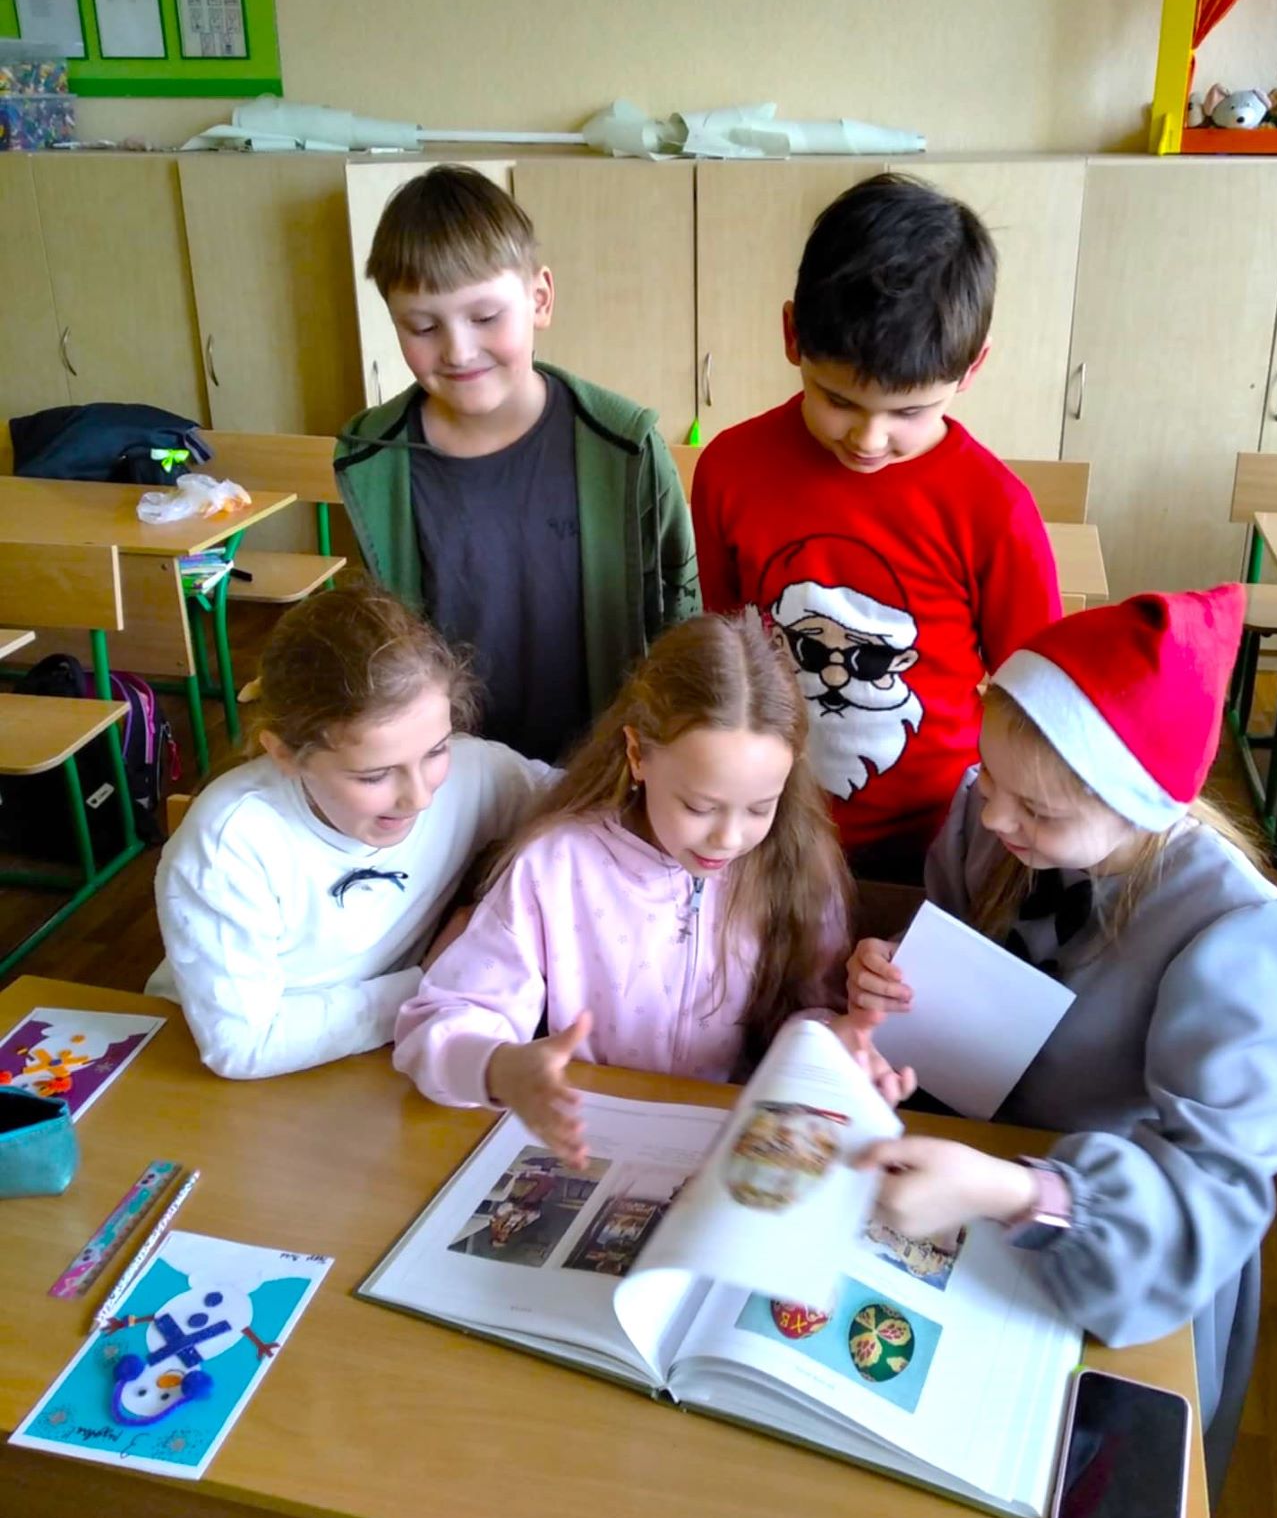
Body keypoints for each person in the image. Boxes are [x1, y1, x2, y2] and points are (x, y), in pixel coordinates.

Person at [844, 585, 1277, 1492]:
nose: (996, 816)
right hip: (958, 1185)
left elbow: (1205, 1200)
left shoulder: (1245, 943)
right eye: (988, 776)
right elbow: (950, 965)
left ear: (1137, 805)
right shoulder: (992, 824)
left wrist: (1014, 1189)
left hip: (1111, 1256)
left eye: (1035, 809)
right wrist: (887, 980)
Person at [393, 611, 887, 1165]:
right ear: (637, 755)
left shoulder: (798, 863)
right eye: (699, 806)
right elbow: (440, 1023)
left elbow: (811, 1011)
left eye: (759, 808)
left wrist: (832, 1046)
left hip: (732, 1147)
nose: (728, 838)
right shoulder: (557, 865)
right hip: (587, 1140)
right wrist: (500, 1067)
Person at [691, 172, 1060, 876]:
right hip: (769, 826)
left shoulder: (995, 509)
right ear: (792, 335)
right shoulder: (729, 469)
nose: (867, 438)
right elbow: (729, 649)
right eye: (838, 400)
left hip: (943, 839)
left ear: (972, 368)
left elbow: (1038, 700)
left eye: (909, 412)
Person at [333, 163, 699, 764]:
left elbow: (681, 626)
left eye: (484, 318)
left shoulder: (624, 446)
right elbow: (379, 639)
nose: (458, 351)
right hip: (447, 777)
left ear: (540, 299)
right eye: (422, 326)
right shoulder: (374, 462)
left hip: (601, 774)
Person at [148, 584, 551, 1079]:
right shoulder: (229, 842)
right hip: (197, 1063)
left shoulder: (476, 775)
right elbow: (242, 1045)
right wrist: (427, 981)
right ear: (285, 754)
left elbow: (585, 806)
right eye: (374, 776)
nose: (419, 798)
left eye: (436, 751)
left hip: (366, 1055)